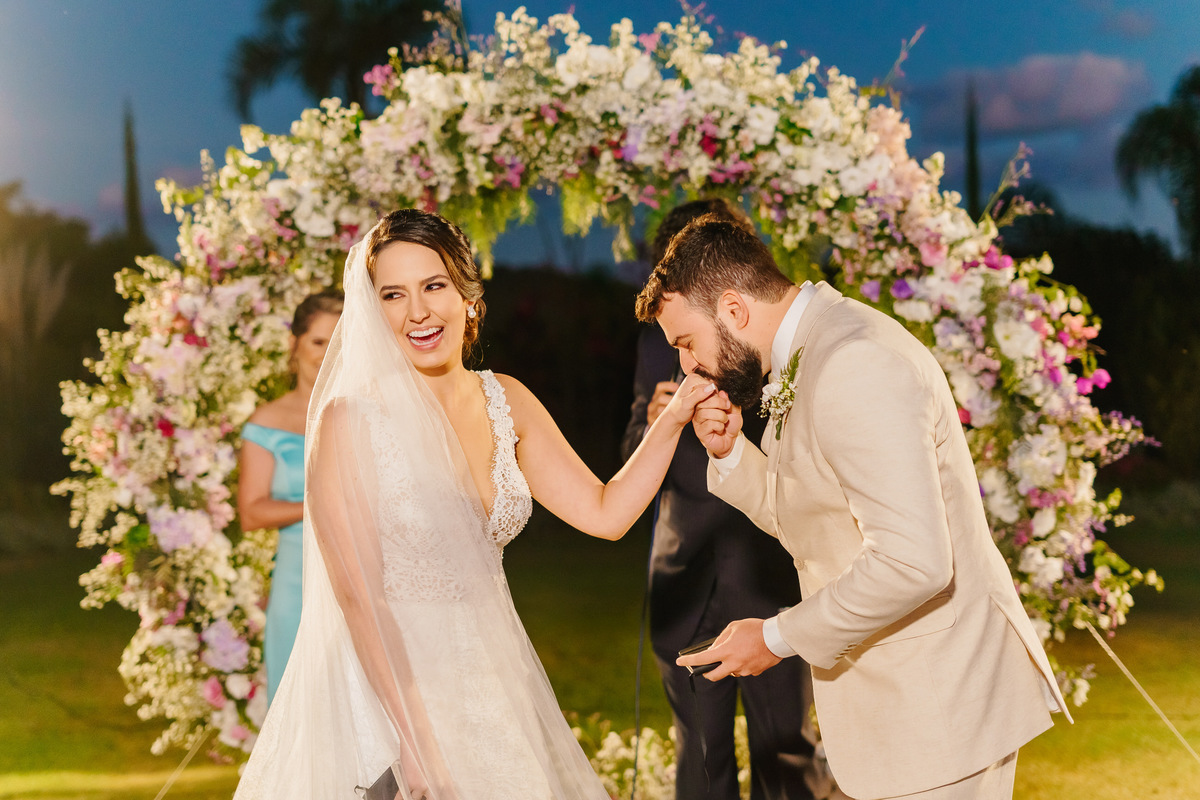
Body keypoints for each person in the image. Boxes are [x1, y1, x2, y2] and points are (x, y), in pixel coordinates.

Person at [234, 209, 716, 800]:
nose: (417, 312)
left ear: (468, 293)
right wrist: (415, 746)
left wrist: (678, 412)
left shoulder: (506, 400)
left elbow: (606, 512)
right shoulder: (348, 420)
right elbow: (362, 597)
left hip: (485, 683)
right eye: (393, 294)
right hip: (382, 699)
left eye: (433, 285)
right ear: (373, 308)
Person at [639, 216, 1072, 800]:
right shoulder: (809, 351)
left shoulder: (853, 361)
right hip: (909, 708)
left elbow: (913, 562)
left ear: (734, 309)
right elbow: (819, 521)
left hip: (940, 708)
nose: (688, 367)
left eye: (687, 343)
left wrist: (775, 636)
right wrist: (731, 455)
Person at [622, 199, 815, 800]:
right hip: (684, 574)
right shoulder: (658, 346)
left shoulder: (772, 345)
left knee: (783, 747)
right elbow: (628, 452)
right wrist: (655, 422)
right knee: (701, 758)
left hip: (767, 573)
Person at [237, 289, 343, 705]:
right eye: (318, 341)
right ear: (294, 343)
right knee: (299, 712)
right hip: (296, 586)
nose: (326, 353)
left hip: (360, 578)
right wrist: (320, 502)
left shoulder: (361, 411)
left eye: (337, 343)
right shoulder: (267, 422)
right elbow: (251, 512)